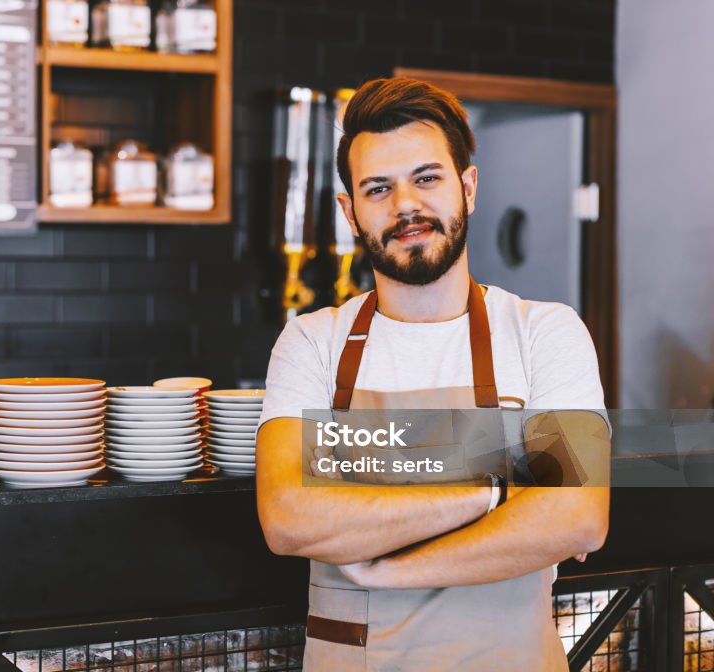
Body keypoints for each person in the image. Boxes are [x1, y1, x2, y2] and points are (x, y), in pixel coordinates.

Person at [255, 77, 611, 671]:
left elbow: (577, 516)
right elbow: (288, 518)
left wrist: (389, 569)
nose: (405, 206)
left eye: (426, 178)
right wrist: (491, 491)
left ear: (467, 187)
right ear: (349, 211)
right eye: (377, 188)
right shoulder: (311, 344)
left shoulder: (545, 331)